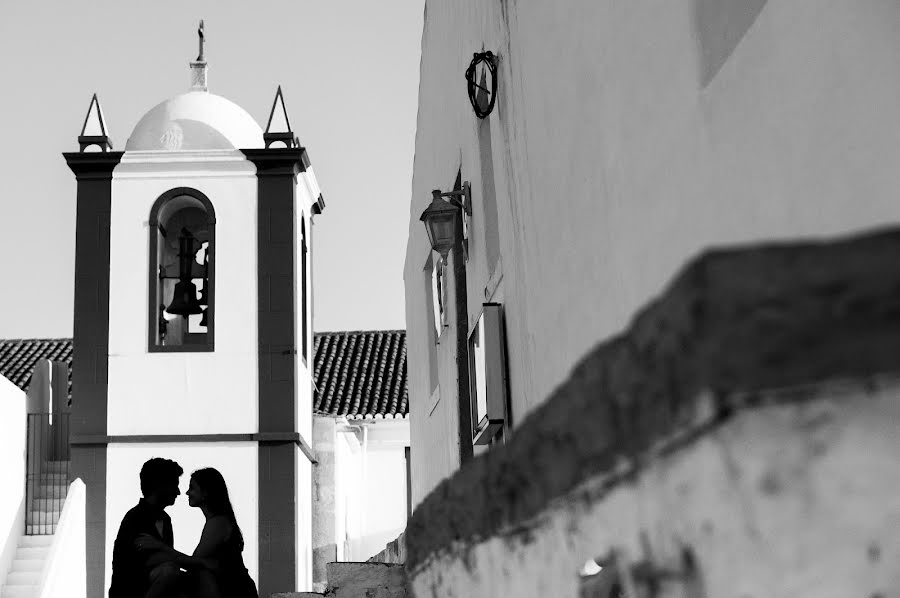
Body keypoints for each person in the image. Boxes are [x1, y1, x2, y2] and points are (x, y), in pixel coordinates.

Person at [136, 468, 258, 598]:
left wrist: (160, 547)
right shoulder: (217, 521)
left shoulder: (218, 523)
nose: (187, 492)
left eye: (192, 488)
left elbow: (192, 563)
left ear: (205, 492)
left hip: (235, 590)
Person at [109, 457, 197, 598]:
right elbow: (152, 562)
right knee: (171, 572)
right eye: (174, 484)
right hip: (131, 591)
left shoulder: (165, 519)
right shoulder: (134, 518)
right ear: (159, 485)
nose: (178, 492)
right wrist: (196, 564)